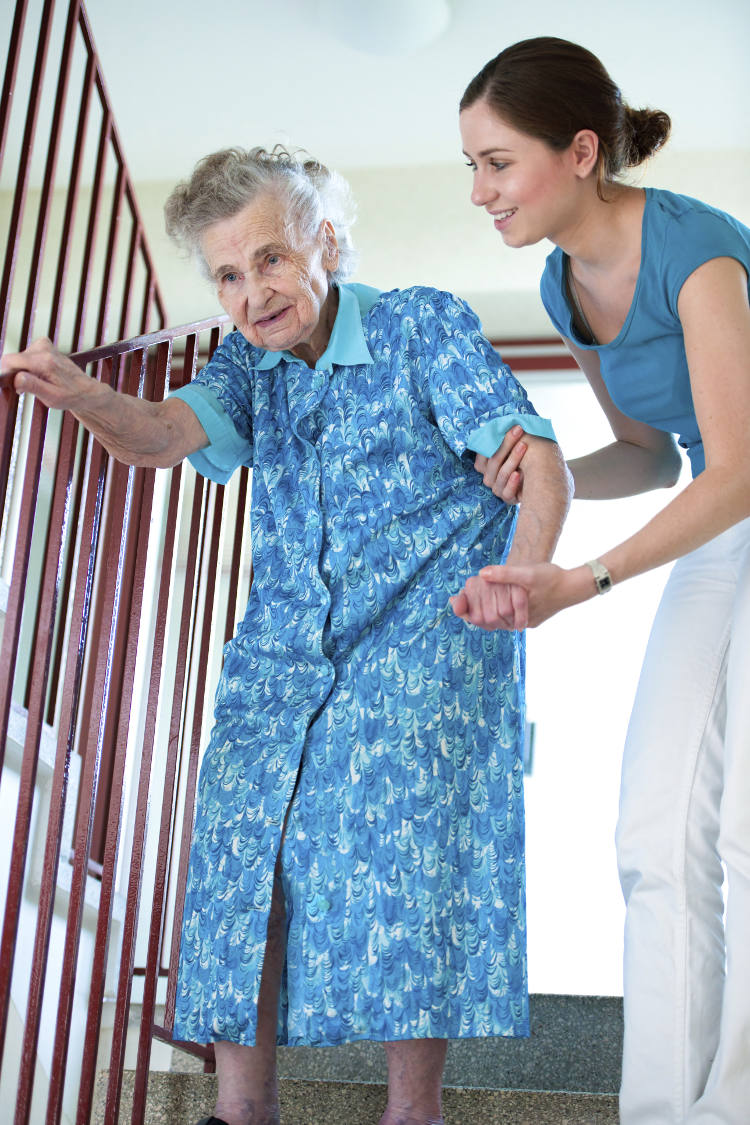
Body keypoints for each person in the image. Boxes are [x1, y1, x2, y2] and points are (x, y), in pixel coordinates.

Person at [1, 146, 571, 1125]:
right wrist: (84, 395)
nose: (251, 291)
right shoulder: (248, 364)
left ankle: (412, 1113)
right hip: (280, 665)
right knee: (239, 873)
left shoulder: (417, 325)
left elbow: (533, 458)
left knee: (400, 874)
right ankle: (241, 1112)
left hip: (415, 655)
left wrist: (533, 569)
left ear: (327, 243)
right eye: (227, 273)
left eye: (269, 259)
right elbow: (163, 436)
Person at [456, 36, 750, 1125]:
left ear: (581, 151)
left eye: (497, 163)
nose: (481, 192)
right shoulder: (562, 278)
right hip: (725, 513)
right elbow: (649, 456)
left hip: (747, 495)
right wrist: (531, 473)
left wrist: (584, 578)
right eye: (471, 168)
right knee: (650, 833)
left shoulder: (697, 248)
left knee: (739, 831)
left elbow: (740, 465)